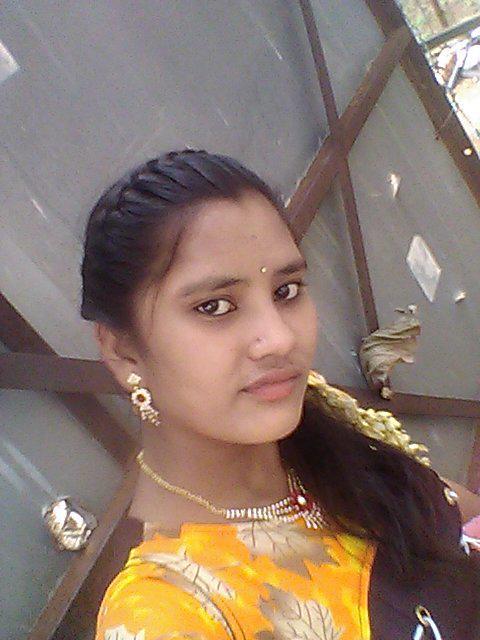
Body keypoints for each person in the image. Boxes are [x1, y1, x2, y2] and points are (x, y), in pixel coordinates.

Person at [80, 150, 479, 640]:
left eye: (286, 291)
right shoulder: (167, 611)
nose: (280, 338)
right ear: (123, 352)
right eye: (215, 306)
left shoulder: (339, 456)